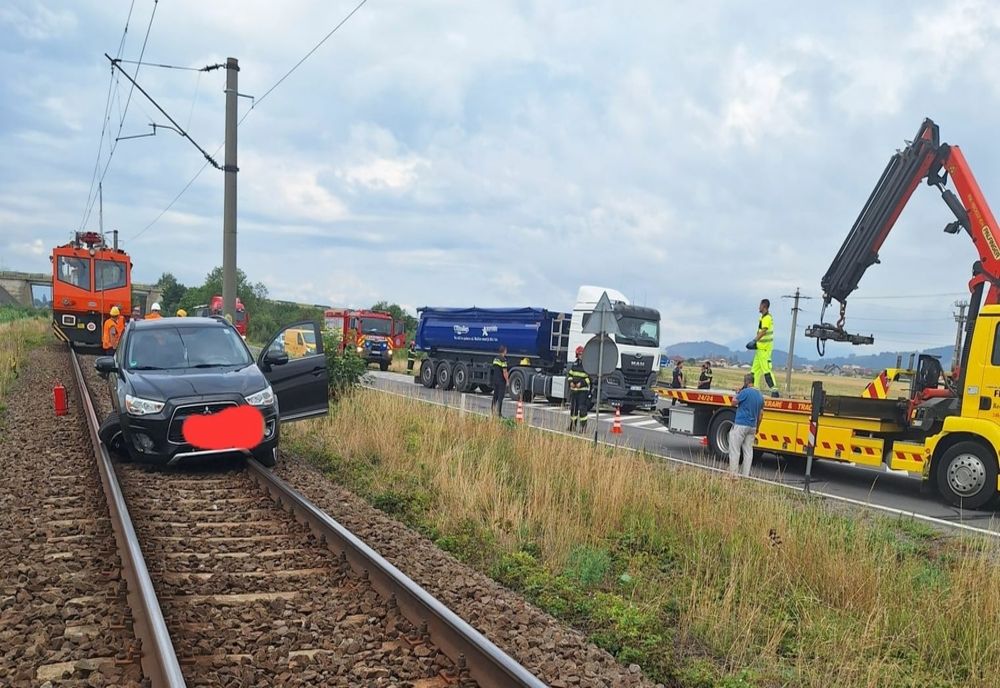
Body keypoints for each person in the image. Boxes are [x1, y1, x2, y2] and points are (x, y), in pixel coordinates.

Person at [729, 373, 765, 477]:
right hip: (752, 426)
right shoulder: (760, 395)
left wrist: (737, 393)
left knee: (735, 449)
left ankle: (733, 475)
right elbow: (761, 413)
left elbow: (733, 402)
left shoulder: (744, 392)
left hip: (741, 424)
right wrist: (757, 427)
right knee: (748, 451)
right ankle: (746, 475)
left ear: (746, 382)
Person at [747, 298, 779, 397]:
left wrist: (754, 340)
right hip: (760, 349)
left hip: (764, 349)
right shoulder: (763, 318)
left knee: (766, 371)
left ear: (764, 306)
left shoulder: (767, 318)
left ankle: (774, 391)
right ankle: (754, 389)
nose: (759, 307)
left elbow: (763, 331)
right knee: (754, 371)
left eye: (760, 305)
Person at [567, 346, 591, 432]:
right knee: (573, 409)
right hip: (574, 391)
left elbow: (589, 379)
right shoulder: (574, 364)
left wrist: (581, 383)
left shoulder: (587, 365)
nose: (581, 356)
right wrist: (571, 383)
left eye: (582, 354)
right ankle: (572, 426)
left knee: (582, 409)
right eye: (579, 354)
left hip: (583, 392)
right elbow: (570, 375)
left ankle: (583, 428)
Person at [491, 345, 509, 418]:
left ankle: (492, 410)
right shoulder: (503, 360)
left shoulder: (495, 359)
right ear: (504, 351)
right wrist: (507, 381)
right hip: (501, 381)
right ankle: (499, 413)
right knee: (500, 397)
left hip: (495, 380)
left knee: (495, 396)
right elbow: (505, 371)